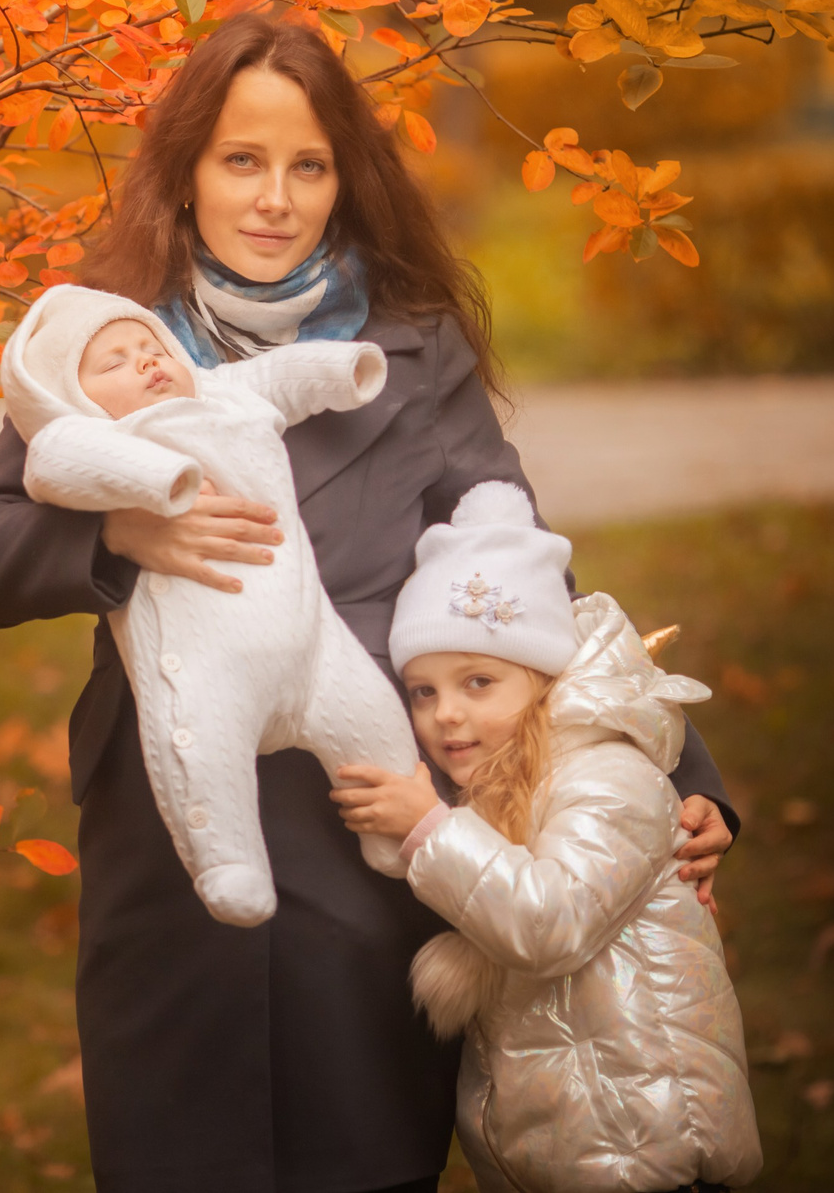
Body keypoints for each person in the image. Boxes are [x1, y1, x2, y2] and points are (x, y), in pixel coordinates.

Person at [0, 11, 738, 1193]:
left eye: (307, 165)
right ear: (188, 174)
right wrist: (117, 531)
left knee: (358, 1152)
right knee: (179, 1158)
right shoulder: (109, 346)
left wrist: (677, 773)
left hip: (377, 813)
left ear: (342, 179)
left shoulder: (411, 347)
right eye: (242, 161)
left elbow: (521, 569)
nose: (274, 197)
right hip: (169, 839)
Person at [331, 480, 762, 1193]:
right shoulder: (507, 786)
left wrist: (428, 830)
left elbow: (550, 922)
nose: (445, 715)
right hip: (576, 1150)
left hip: (648, 1147)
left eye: (478, 681)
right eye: (424, 691)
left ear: (543, 678)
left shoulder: (605, 776)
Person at [1, 286, 415, 925]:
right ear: (72, 396)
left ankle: (395, 834)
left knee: (372, 720)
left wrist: (342, 370)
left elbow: (278, 375)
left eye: (150, 346)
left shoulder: (221, 393)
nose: (145, 362)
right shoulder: (88, 433)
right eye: (113, 363)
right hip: (201, 663)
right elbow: (52, 463)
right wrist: (147, 492)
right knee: (200, 748)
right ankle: (230, 863)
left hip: (315, 648)